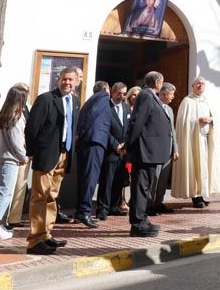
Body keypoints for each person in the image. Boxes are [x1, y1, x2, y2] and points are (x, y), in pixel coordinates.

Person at [23, 68, 80, 255]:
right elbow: (31, 129)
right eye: (64, 79)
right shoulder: (46, 99)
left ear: (77, 82)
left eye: (71, 80)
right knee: (40, 196)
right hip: (46, 155)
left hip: (64, 154)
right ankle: (35, 240)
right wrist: (33, 152)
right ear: (59, 79)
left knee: (52, 196)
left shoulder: (75, 101)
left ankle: (46, 234)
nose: (67, 83)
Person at [124, 72, 173, 236]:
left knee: (145, 189)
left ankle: (143, 219)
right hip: (144, 151)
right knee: (140, 188)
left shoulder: (151, 96)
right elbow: (137, 122)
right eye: (162, 81)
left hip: (151, 152)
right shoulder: (146, 96)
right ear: (158, 82)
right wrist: (130, 145)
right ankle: (138, 224)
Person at [171, 77, 220, 208]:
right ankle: (195, 196)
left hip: (206, 140)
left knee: (205, 168)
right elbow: (183, 122)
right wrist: (197, 121)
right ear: (192, 86)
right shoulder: (187, 101)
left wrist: (211, 119)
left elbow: (216, 119)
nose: (200, 86)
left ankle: (203, 192)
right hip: (193, 141)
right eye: (198, 84)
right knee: (194, 167)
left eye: (202, 84)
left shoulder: (208, 101)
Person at [0, 83, 29, 240]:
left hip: (5, 157)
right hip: (10, 159)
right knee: (5, 192)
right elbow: (16, 141)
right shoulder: (16, 117)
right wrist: (23, 156)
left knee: (3, 191)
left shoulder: (6, 114)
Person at [74, 80, 113, 227]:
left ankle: (80, 211)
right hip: (94, 142)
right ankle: (84, 212)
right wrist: (82, 133)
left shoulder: (92, 99)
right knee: (90, 178)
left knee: (85, 178)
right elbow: (92, 115)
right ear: (105, 89)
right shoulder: (102, 97)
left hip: (89, 142)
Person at [97, 83, 131, 220]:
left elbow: (129, 127)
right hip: (110, 151)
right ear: (112, 92)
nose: (121, 96)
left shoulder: (126, 108)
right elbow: (104, 129)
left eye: (124, 94)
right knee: (107, 181)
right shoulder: (105, 107)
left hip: (123, 151)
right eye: (119, 93)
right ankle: (102, 208)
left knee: (119, 180)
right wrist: (115, 145)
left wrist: (125, 145)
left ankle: (114, 206)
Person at [149, 82, 180, 214]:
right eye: (171, 93)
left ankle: (159, 203)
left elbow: (172, 131)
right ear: (163, 93)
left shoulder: (170, 109)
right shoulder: (153, 107)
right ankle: (149, 205)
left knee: (162, 179)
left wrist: (175, 149)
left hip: (168, 150)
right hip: (156, 151)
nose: (173, 96)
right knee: (153, 179)